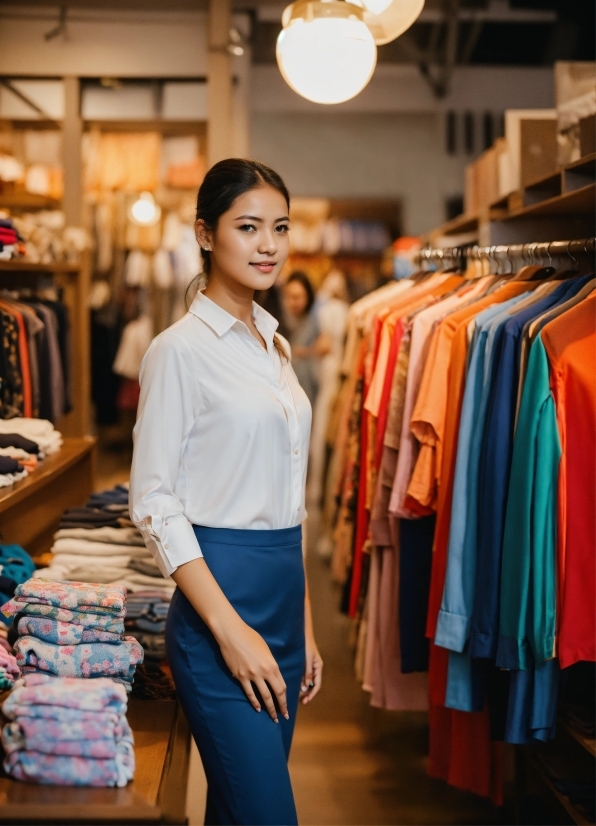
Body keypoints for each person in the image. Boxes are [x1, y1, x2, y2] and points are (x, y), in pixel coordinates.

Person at [129, 159, 323, 826]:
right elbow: (153, 501)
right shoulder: (177, 351)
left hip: (283, 605)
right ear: (206, 235)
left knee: (237, 812)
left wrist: (305, 627)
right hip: (220, 615)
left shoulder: (275, 346)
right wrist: (231, 630)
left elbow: (287, 499)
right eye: (248, 227)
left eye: (280, 228)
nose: (269, 244)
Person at [283, 271, 329, 406]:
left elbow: (326, 346)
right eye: (288, 297)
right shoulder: (284, 321)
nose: (292, 302)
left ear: (308, 296)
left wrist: (308, 352)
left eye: (297, 297)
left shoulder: (317, 320)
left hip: (307, 391)